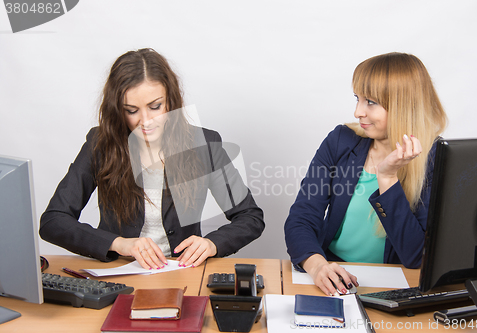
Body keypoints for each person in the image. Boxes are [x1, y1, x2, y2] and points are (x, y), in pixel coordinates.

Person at [40, 48, 265, 270]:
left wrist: (211, 243)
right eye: (131, 110)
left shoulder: (204, 144)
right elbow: (53, 221)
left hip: (181, 271)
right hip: (120, 271)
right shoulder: (100, 144)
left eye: (155, 106)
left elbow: (249, 216)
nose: (145, 121)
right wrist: (119, 244)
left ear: (171, 101)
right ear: (118, 109)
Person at [284, 52, 447, 296]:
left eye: (370, 102)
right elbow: (302, 216)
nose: (358, 112)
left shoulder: (435, 159)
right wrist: (318, 266)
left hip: (395, 283)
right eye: (357, 99)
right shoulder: (340, 141)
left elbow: (417, 256)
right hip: (335, 272)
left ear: (403, 105)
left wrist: (388, 178)